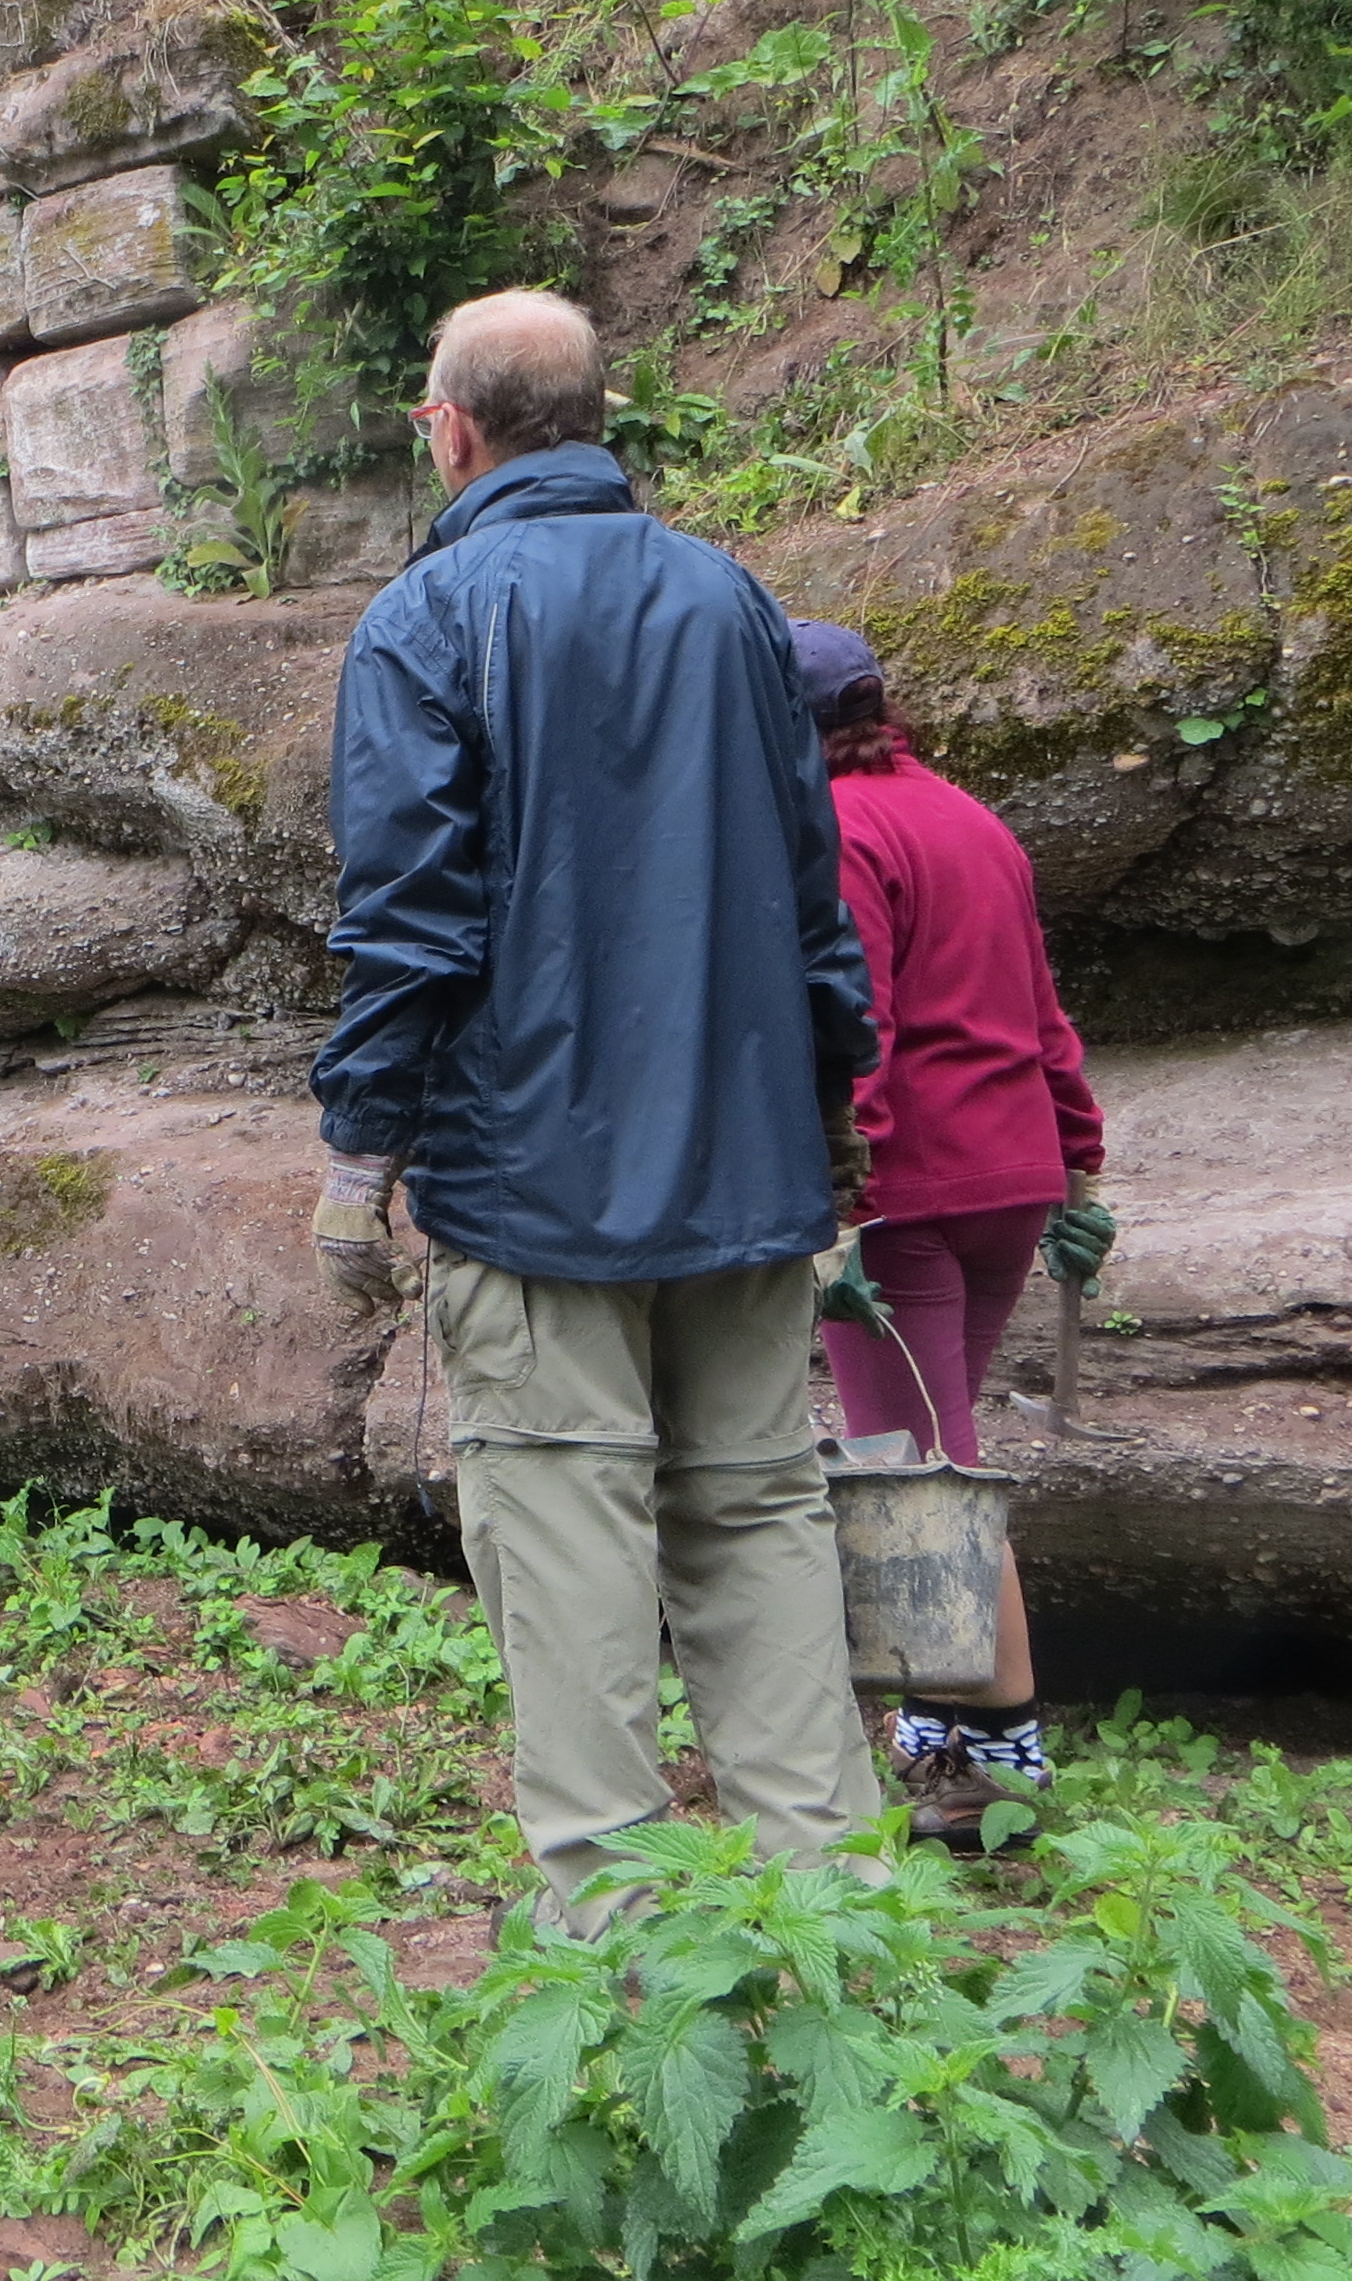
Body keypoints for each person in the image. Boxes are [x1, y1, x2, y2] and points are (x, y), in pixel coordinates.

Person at [309, 289, 883, 1929]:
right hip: (747, 1161)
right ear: (594, 418)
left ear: (452, 429)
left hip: (533, 1180)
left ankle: (616, 1949)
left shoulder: (429, 618)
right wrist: (833, 1115)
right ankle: (842, 1923)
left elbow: (410, 920)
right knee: (762, 1516)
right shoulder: (733, 600)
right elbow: (811, 892)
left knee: (568, 1536)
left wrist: (360, 1151)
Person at [793, 619, 1108, 1848]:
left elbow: (854, 1029)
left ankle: (1001, 1766)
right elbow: (1042, 1009)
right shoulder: (973, 819)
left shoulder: (836, 830)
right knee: (939, 1445)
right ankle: (934, 1720)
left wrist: (841, 1207)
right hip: (1008, 1179)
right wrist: (1078, 1161)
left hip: (907, 1193)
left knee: (922, 1475)